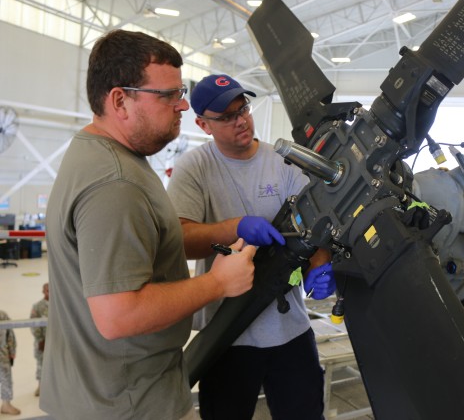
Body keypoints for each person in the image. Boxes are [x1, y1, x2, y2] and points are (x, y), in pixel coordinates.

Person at [41, 30, 256, 420]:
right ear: (120, 100)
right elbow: (118, 314)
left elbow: (159, 245)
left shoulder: (101, 153)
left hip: (111, 393)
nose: (182, 105)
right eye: (169, 95)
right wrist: (217, 283)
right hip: (128, 404)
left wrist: (231, 228)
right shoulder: (115, 182)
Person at [167, 74, 336, 419]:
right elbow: (179, 240)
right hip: (227, 334)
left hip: (290, 329)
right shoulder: (195, 169)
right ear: (203, 124)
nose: (241, 120)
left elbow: (315, 224)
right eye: (226, 117)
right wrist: (235, 228)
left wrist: (321, 263)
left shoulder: (286, 161)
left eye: (242, 108)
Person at [30, 282, 48, 397]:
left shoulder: (60, 304)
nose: (50, 293)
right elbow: (34, 324)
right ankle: (41, 387)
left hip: (59, 342)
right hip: (42, 342)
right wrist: (40, 339)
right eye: (47, 290)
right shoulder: (37, 306)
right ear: (43, 291)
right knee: (41, 364)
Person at [0, 310, 20, 415]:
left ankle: (6, 405)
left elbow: (10, 334)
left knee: (6, 380)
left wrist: (12, 351)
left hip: (2, 355)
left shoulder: (2, 315)